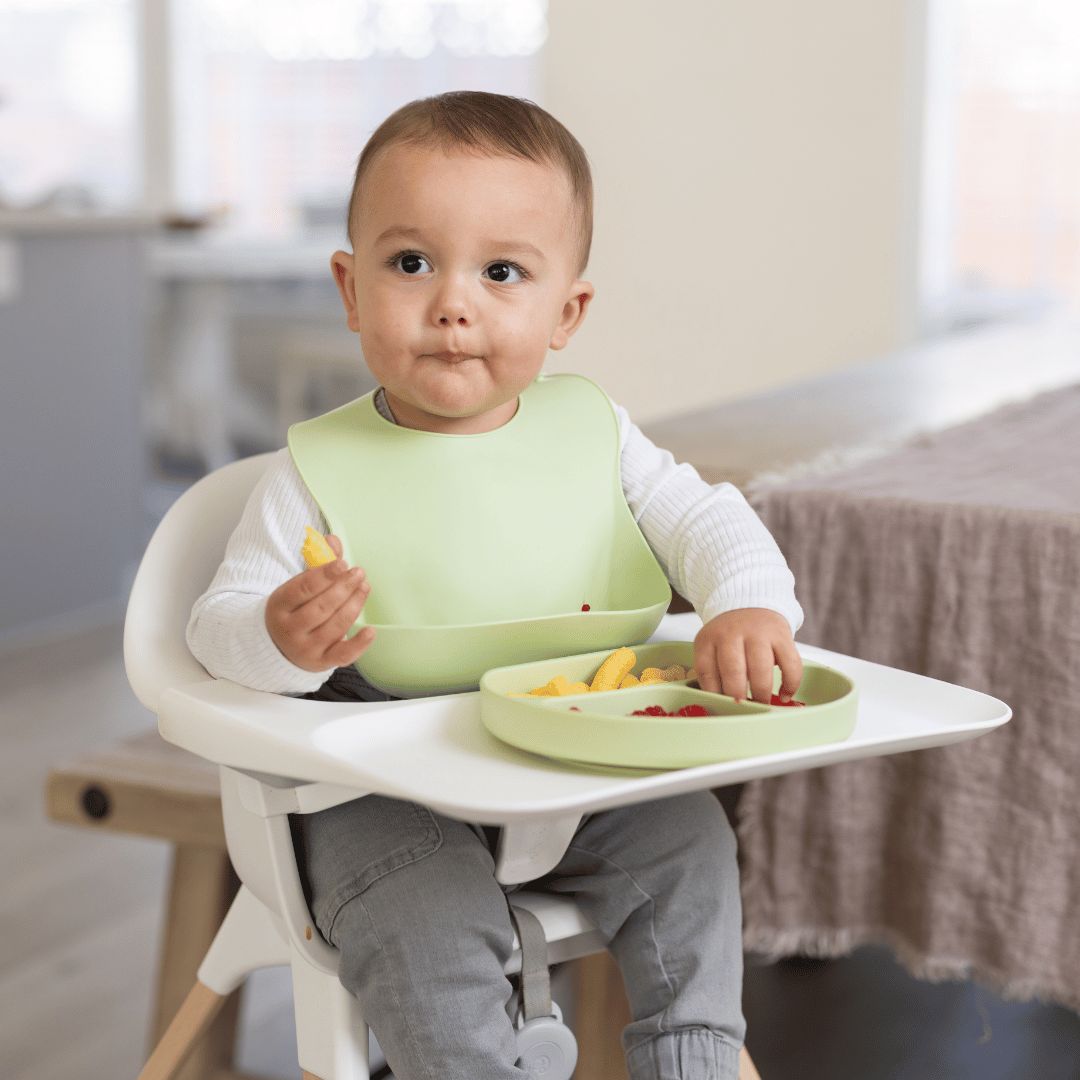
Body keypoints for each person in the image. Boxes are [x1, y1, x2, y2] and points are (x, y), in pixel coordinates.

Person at [188, 91, 803, 1080]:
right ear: (350, 290)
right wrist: (276, 635)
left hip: (577, 760)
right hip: (382, 782)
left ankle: (692, 1059)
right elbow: (215, 631)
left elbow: (706, 518)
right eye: (410, 263)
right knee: (421, 922)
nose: (453, 302)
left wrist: (743, 603)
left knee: (693, 849)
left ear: (567, 312)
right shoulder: (312, 472)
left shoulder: (599, 436)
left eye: (502, 271)